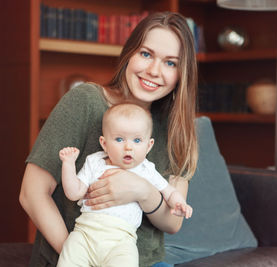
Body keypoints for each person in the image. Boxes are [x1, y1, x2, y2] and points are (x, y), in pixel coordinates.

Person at [19, 11, 198, 267]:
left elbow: (173, 223)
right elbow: (31, 194)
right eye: (146, 54)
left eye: (171, 63)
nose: (153, 71)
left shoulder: (177, 128)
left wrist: (144, 191)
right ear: (129, 54)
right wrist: (78, 256)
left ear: (183, 74)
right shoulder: (86, 102)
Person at [57, 103, 193, 266]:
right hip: (84, 234)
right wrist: (68, 164)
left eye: (137, 140)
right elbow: (74, 193)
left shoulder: (146, 170)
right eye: (119, 139)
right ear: (104, 143)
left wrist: (180, 203)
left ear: (149, 146)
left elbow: (169, 192)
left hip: (121, 241)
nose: (128, 147)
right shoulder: (95, 162)